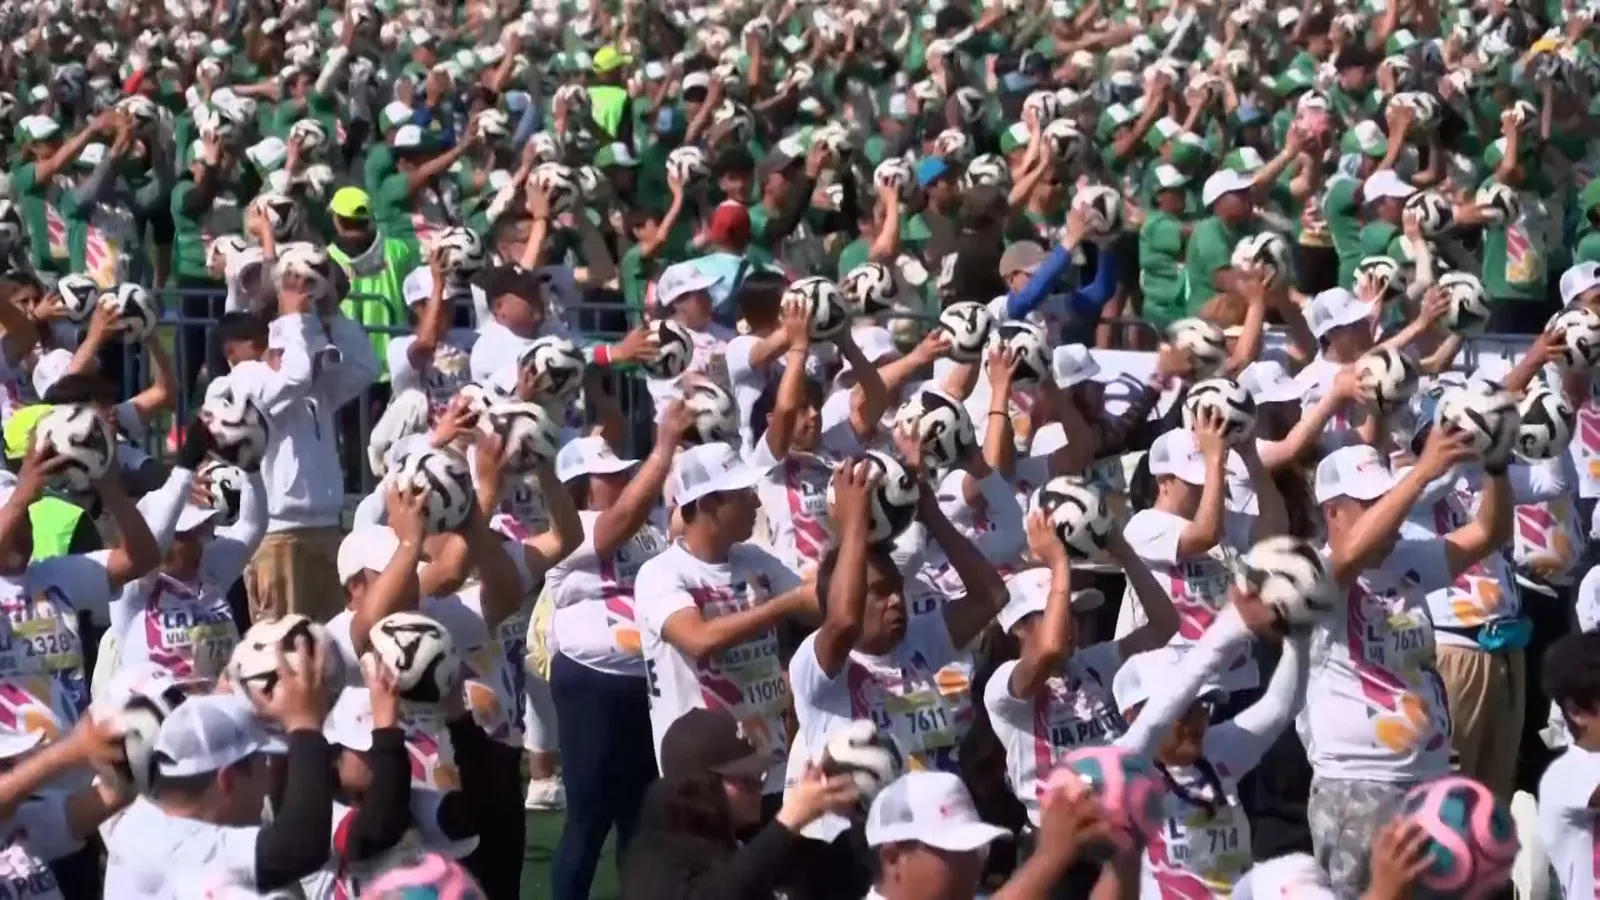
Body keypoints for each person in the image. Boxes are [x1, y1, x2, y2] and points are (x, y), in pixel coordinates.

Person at [543, 414, 681, 900]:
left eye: (625, 474)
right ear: (580, 486)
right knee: (589, 818)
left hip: (649, 684)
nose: (623, 481)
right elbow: (611, 529)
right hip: (592, 685)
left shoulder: (645, 527)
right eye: (611, 475)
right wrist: (662, 451)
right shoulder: (566, 529)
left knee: (642, 820)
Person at [635, 442, 815, 804]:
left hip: (769, 768)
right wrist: (784, 604)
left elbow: (817, 607)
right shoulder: (661, 573)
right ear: (707, 505)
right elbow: (697, 640)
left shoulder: (756, 559)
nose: (757, 502)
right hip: (702, 777)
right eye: (743, 494)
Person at [102, 652, 336, 894]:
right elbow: (303, 844)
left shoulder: (143, 818)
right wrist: (305, 724)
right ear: (227, 780)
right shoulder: (189, 850)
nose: (268, 778)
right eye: (262, 762)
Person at [618, 707, 860, 900]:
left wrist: (864, 812)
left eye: (758, 775)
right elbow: (718, 891)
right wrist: (788, 823)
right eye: (745, 780)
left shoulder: (747, 827)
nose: (758, 787)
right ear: (701, 786)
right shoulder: (654, 862)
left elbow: (836, 868)